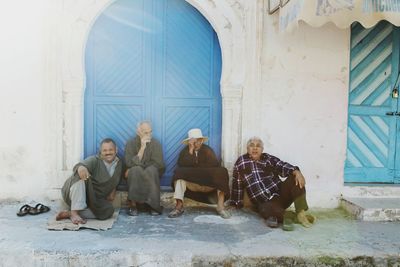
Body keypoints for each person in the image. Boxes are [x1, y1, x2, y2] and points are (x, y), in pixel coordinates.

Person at [230, 137, 315, 230]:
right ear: (247, 149)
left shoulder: (268, 158)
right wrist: (235, 204)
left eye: (258, 146)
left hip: (281, 195)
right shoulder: (241, 162)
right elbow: (236, 184)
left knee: (295, 177)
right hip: (264, 202)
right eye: (252, 146)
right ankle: (291, 217)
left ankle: (300, 213)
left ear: (262, 149)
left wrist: (297, 172)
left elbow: (282, 166)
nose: (255, 148)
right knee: (267, 210)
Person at [56, 138, 122, 224]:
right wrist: (82, 168)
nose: (108, 152)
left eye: (110, 150)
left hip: (94, 198)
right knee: (80, 175)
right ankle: (75, 212)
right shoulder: (94, 160)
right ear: (100, 152)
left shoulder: (119, 163)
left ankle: (70, 213)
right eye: (105, 150)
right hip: (75, 193)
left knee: (108, 211)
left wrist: (113, 189)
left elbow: (115, 179)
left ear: (116, 150)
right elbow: (79, 165)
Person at [169, 128, 231, 219]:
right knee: (179, 173)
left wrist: (197, 170)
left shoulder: (208, 150)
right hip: (192, 184)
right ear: (189, 142)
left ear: (202, 141)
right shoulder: (185, 151)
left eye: (198, 141)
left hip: (208, 184)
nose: (196, 143)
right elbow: (182, 165)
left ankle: (220, 207)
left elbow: (214, 166)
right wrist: (191, 151)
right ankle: (179, 206)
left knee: (222, 172)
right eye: (193, 141)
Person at [124, 121, 165, 216]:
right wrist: (142, 148)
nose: (148, 135)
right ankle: (133, 205)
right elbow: (129, 163)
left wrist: (140, 165)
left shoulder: (156, 143)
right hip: (136, 172)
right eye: (145, 132)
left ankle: (153, 206)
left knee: (150, 170)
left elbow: (158, 163)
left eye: (150, 132)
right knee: (135, 170)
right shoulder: (130, 143)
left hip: (153, 171)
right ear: (138, 132)